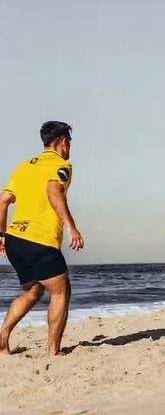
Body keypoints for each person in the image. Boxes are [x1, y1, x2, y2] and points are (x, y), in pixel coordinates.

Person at [0, 121, 84, 356]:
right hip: (40, 239)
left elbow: (3, 200)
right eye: (69, 143)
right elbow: (53, 191)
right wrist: (71, 227)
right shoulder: (62, 165)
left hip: (15, 239)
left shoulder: (24, 166)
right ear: (63, 142)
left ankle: (3, 335)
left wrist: (1, 234)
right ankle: (53, 351)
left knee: (33, 291)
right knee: (60, 292)